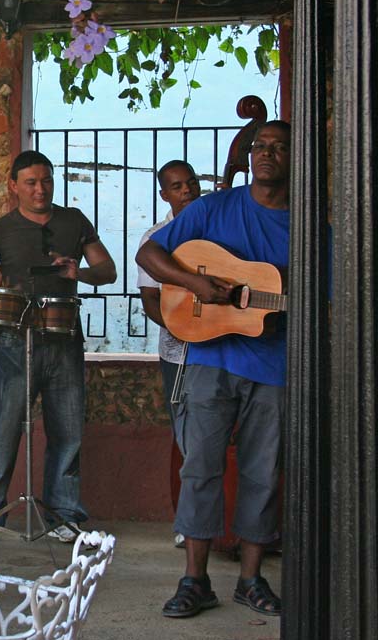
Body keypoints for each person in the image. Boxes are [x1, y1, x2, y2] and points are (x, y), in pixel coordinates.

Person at [136, 120, 290, 619]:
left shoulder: (310, 225)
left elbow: (328, 296)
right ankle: (195, 579)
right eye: (259, 147)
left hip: (274, 364)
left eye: (278, 147)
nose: (266, 155)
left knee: (262, 473)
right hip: (209, 359)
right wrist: (194, 284)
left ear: (295, 158)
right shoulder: (214, 207)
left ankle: (251, 578)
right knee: (200, 466)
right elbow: (149, 254)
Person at [0, 150, 117, 545]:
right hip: (15, 338)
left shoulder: (74, 221)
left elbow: (108, 270)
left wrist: (76, 271)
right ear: (14, 186)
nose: (40, 189)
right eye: (30, 182)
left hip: (64, 337)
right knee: (2, 428)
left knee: (67, 429)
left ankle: (65, 516)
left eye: (46, 180)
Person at [136, 160, 201, 548]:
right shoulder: (156, 237)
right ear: (165, 195)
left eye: (191, 182)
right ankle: (189, 521)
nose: (187, 190)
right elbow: (149, 301)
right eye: (177, 186)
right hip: (178, 354)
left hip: (222, 352)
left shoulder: (218, 228)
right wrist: (186, 329)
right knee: (187, 438)